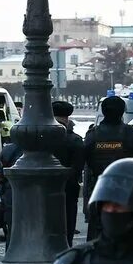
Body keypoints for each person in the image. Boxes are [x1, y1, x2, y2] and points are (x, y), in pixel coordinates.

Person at [83, 95, 133, 240]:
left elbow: (84, 161)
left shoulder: (92, 135)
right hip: (126, 191)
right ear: (122, 112)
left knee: (97, 236)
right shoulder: (132, 133)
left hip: (100, 190)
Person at [53, 101, 87, 245]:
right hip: (69, 189)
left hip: (45, 189)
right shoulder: (75, 140)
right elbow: (78, 167)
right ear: (67, 119)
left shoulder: (44, 138)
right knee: (68, 223)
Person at [0, 136, 23, 246]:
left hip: (9, 192)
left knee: (11, 229)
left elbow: (0, 176)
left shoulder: (6, 150)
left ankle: (9, 252)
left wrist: (2, 194)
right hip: (24, 194)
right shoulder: (30, 150)